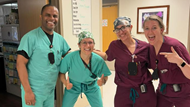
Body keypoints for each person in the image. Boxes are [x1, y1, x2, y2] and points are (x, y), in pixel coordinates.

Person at [93, 16, 157, 107]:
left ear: (130, 27)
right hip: (124, 91)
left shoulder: (145, 47)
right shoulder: (115, 45)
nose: (120, 32)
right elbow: (107, 56)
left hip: (144, 90)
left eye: (123, 27)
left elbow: (153, 65)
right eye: (117, 29)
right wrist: (91, 50)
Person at [16, 4, 70, 107]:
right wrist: (27, 91)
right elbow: (20, 64)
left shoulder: (60, 39)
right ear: (41, 17)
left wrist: (88, 54)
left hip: (49, 90)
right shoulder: (29, 38)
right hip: (33, 90)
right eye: (48, 15)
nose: (51, 18)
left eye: (55, 16)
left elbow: (70, 58)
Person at [143, 14, 190, 107]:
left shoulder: (174, 46)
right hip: (164, 92)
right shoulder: (149, 48)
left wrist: (180, 62)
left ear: (161, 29)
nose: (150, 32)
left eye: (154, 28)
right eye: (146, 28)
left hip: (183, 94)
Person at [59, 31, 111, 107]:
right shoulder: (70, 57)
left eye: (90, 42)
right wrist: (65, 83)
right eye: (84, 42)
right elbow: (61, 73)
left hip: (92, 86)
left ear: (94, 45)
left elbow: (105, 75)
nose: (87, 45)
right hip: (73, 86)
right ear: (79, 45)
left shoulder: (98, 60)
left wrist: (103, 81)